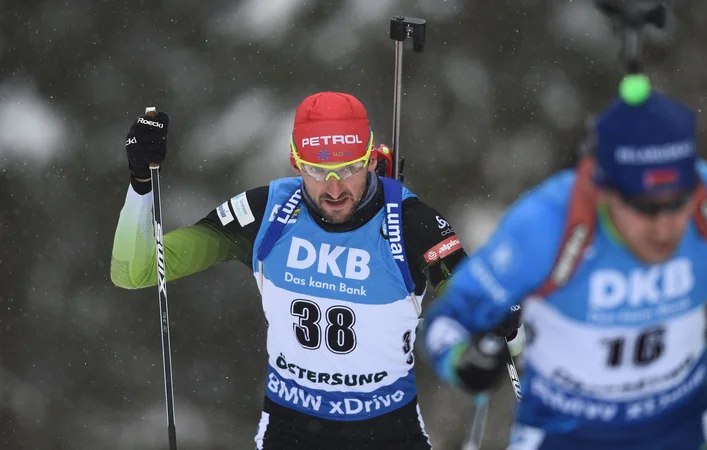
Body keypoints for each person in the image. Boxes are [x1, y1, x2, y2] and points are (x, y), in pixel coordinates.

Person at [111, 91, 520, 449]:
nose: (334, 188)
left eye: (348, 169)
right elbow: (138, 270)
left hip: (387, 430)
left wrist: (494, 310)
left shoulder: (407, 221)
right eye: (316, 171)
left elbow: (464, 293)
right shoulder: (266, 213)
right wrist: (140, 184)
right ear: (295, 163)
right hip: (292, 429)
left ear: (373, 161)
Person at [421, 77, 707, 450]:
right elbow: (447, 319)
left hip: (678, 430)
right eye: (645, 208)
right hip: (566, 433)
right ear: (604, 189)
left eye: (679, 201)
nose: (665, 226)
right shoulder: (547, 224)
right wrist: (462, 362)